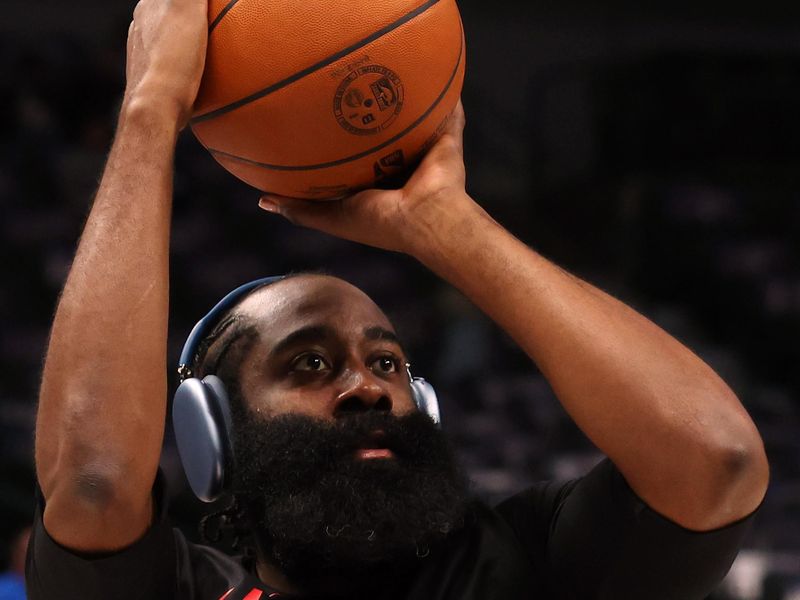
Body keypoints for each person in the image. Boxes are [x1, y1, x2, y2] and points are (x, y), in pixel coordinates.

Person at [26, 0, 770, 598]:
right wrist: (151, 110)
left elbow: (717, 460)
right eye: (309, 364)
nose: (367, 389)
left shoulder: (529, 565)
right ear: (212, 436)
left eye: (388, 364)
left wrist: (445, 226)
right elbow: (94, 484)